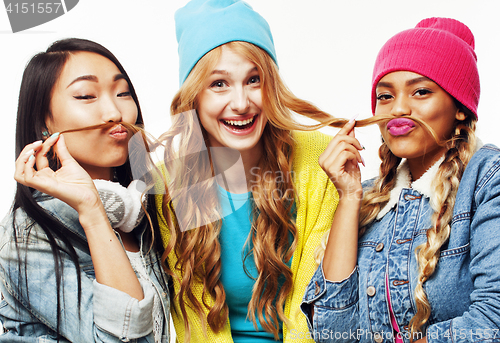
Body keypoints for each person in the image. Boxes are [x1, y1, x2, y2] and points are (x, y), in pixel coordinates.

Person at [153, 0, 350, 342]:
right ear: (193, 97)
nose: (242, 103)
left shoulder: (318, 161)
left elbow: (327, 304)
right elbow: (192, 325)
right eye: (219, 84)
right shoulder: (166, 183)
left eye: (253, 80)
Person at [301, 17, 500, 343]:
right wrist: (349, 198)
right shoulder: (367, 198)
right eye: (385, 96)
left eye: (421, 92)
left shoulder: (487, 178)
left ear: (460, 108)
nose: (398, 109)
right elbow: (333, 335)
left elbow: (493, 320)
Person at [0, 38, 170, 342]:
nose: (114, 112)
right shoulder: (28, 234)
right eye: (86, 95)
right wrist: (91, 211)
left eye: (123, 93)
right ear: (44, 123)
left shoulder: (143, 215)